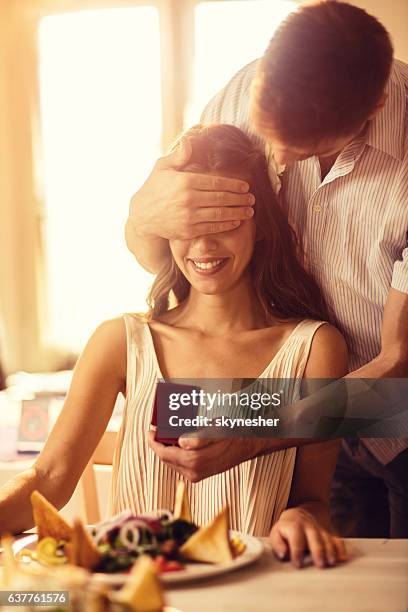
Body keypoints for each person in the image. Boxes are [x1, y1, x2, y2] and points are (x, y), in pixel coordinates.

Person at [0, 124, 348, 568]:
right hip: (140, 593)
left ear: (261, 226)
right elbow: (48, 477)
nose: (202, 245)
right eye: (187, 224)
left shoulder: (314, 347)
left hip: (257, 593)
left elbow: (314, 500)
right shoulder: (120, 343)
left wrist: (303, 518)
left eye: (223, 221)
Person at [125, 1, 408, 538]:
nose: (274, 159)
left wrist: (248, 426)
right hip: (301, 416)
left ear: (375, 105)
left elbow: (397, 376)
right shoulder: (235, 97)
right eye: (266, 132)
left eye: (299, 148)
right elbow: (165, 256)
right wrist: (141, 217)